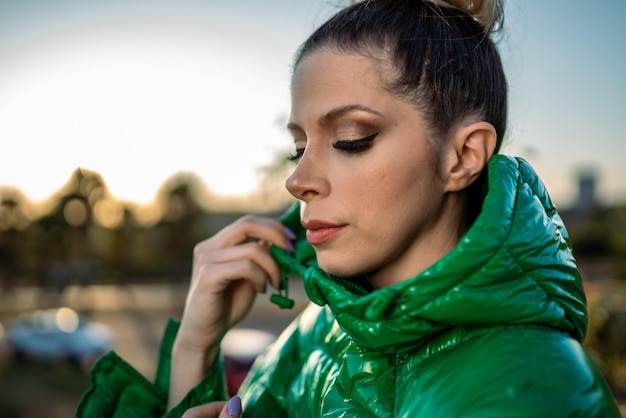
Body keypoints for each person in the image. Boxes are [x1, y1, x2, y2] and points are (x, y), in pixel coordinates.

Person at [76, 0, 621, 417]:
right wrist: (197, 342)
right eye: (299, 146)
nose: (297, 180)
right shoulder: (324, 327)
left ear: (462, 156)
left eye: (352, 138)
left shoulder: (534, 387)